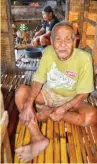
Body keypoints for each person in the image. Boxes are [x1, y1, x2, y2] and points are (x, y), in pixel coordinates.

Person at [15, 21, 97, 162]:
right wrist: (29, 103)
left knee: (92, 116)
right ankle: (37, 137)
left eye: (68, 39)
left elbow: (84, 93)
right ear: (52, 42)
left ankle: (47, 112)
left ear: (74, 41)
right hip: (48, 94)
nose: (63, 44)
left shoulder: (84, 59)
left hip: (72, 99)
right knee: (21, 92)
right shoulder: (47, 52)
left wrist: (63, 109)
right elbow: (39, 79)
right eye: (58, 39)